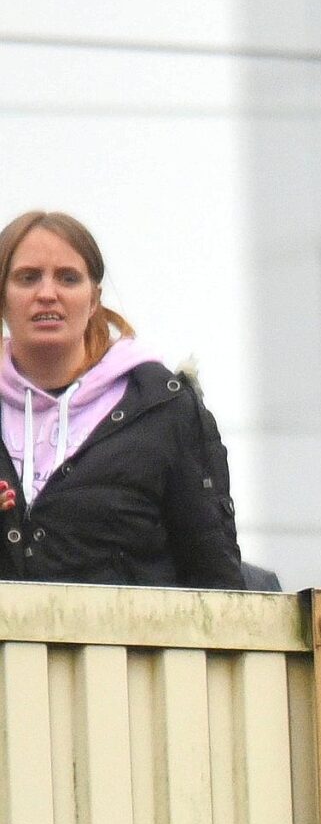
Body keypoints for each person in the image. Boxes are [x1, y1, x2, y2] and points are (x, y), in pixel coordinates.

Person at [0, 209, 243, 589]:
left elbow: (213, 572)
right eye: (28, 278)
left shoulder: (163, 408)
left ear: (93, 299)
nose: (47, 294)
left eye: (68, 278)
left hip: (134, 648)